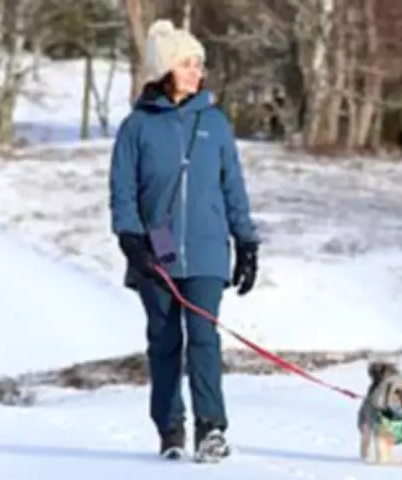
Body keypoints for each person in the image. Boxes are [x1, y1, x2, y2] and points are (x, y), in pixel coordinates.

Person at [108, 19, 260, 462]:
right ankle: (170, 431)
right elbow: (121, 190)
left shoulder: (215, 123)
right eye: (187, 64)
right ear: (164, 69)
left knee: (204, 338)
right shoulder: (136, 127)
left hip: (209, 250)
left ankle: (211, 429)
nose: (197, 72)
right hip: (156, 249)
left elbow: (234, 186)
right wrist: (131, 239)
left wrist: (247, 243)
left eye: (200, 65)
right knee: (164, 341)